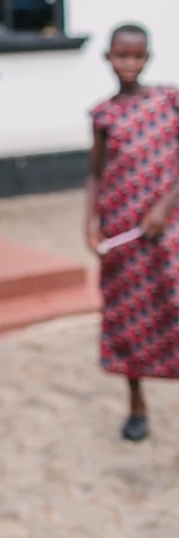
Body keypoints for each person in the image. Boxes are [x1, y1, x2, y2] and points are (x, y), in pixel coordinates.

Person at [86, 24, 179, 443]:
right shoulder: (103, 114)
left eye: (136, 56)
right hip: (122, 229)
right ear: (107, 57)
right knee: (129, 315)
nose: (128, 64)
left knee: (172, 304)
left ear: (148, 58)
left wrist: (163, 206)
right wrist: (90, 223)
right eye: (120, 55)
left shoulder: (168, 101)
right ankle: (136, 402)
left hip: (169, 226)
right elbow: (95, 173)